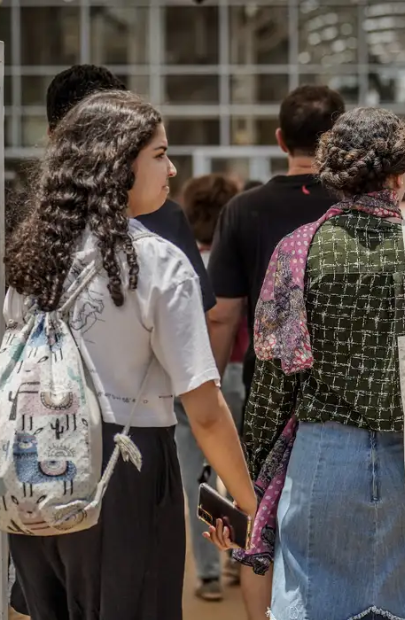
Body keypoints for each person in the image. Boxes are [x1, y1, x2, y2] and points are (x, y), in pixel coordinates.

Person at [224, 108, 405, 619]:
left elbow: (272, 386)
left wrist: (253, 477)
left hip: (322, 461)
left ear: (336, 174)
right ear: (400, 174)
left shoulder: (297, 252)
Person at [4, 90, 256, 620]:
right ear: (119, 164)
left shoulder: (32, 254)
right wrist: (249, 504)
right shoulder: (158, 263)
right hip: (127, 467)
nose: (172, 168)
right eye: (160, 154)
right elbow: (205, 411)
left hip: (31, 466)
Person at [207, 84, 345, 618]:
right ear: (336, 141)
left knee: (257, 514)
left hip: (266, 390)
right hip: (341, 392)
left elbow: (223, 313)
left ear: (280, 138)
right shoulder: (353, 208)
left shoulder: (244, 211)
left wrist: (212, 389)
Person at [45, 64, 216, 314]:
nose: (171, 170)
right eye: (159, 154)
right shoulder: (161, 232)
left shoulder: (28, 229)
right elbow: (194, 324)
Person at [175, 173, 245, 601]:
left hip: (188, 380)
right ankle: (241, 556)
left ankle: (207, 575)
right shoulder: (233, 262)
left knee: (194, 480)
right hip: (237, 371)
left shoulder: (178, 261)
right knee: (241, 475)